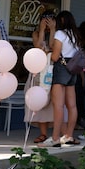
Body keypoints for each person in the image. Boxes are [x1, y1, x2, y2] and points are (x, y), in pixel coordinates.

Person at [43, 10, 83, 147]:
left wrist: (49, 52)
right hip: (73, 68)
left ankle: (55, 138)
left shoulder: (60, 34)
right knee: (72, 105)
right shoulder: (75, 34)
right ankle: (69, 136)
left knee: (58, 106)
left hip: (61, 68)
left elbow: (55, 57)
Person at [25, 11, 55, 142]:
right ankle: (43, 133)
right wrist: (42, 30)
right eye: (45, 20)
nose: (47, 23)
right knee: (41, 99)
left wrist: (52, 30)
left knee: (53, 102)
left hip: (52, 70)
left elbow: (53, 47)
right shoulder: (36, 33)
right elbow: (38, 47)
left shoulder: (58, 34)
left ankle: (57, 133)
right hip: (38, 70)